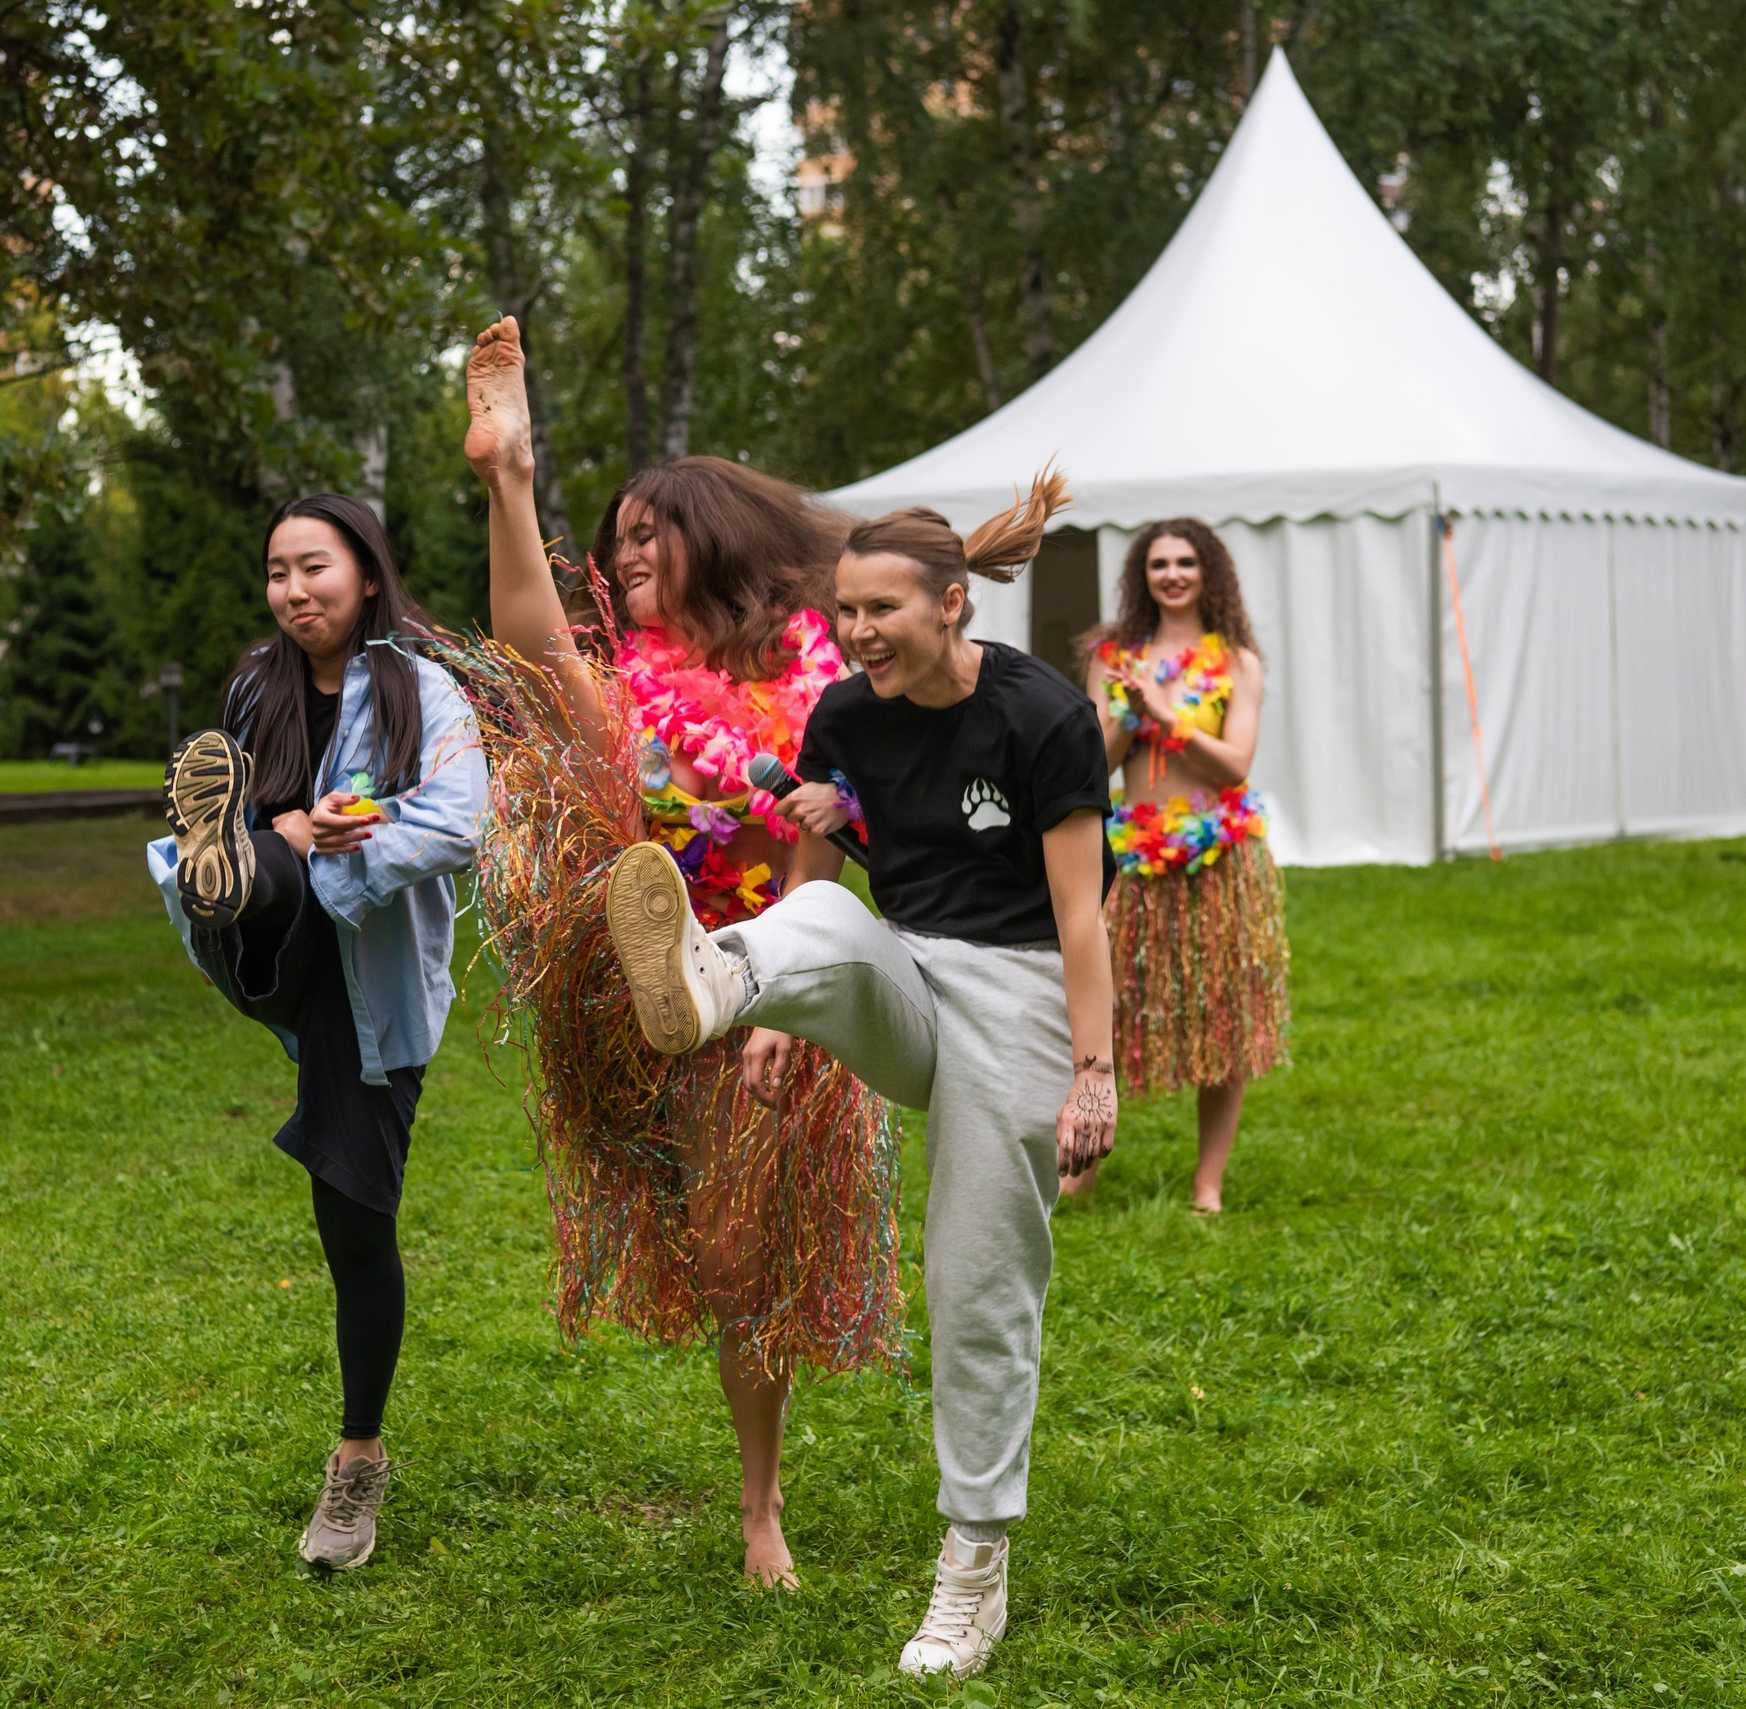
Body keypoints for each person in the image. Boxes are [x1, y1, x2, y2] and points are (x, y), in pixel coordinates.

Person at [599, 471, 1118, 1678]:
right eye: (844, 611)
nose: (856, 632)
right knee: (816, 926)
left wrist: (1092, 1072)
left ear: (952, 607)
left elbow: (1082, 919)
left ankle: (972, 1566)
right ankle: (716, 981)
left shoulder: (1041, 716)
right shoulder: (843, 716)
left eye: (881, 610)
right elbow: (816, 874)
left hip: (1025, 988)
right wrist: (783, 1001)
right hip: (902, 966)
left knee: (976, 1277)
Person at [459, 314, 902, 1588]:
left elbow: (826, 833)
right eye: (618, 536)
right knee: (721, 1245)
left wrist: (790, 990)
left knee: (752, 1248)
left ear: (723, 540)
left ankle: (761, 1504)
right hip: (666, 997)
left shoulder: (826, 687)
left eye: (655, 531)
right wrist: (512, 482)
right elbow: (533, 641)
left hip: (789, 983)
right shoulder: (629, 692)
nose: (627, 550)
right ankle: (757, 1491)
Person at [147, 493, 486, 1573]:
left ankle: (359, 1450)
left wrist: (338, 837)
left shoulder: (423, 690)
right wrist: (277, 832)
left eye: (315, 569)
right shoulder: (257, 685)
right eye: (278, 572)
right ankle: (245, 867)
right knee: (251, 855)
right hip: (272, 950)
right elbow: (240, 819)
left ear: (368, 573)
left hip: (368, 981)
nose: (295, 591)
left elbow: (456, 822)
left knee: (353, 1220)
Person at [1064, 519, 1289, 1214]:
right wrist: (1129, 719)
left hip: (1217, 854)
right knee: (1105, 1006)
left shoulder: (1238, 662)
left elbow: (1236, 766)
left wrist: (1167, 716)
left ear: (1208, 571)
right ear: (1143, 574)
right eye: (1159, 562)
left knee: (1221, 1013)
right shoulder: (1114, 659)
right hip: (1132, 857)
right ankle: (1082, 1168)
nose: (1172, 574)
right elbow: (1091, 769)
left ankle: (1207, 1184)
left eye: (1186, 561)